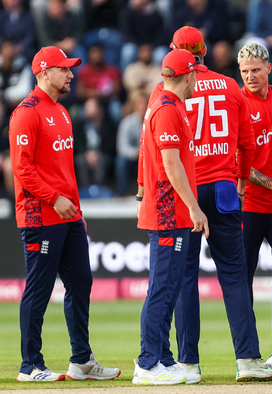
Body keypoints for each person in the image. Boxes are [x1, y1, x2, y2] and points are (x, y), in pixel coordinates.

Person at [145, 26, 272, 383]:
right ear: (204, 50)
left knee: (185, 277)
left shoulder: (165, 88)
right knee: (235, 277)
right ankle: (248, 359)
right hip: (222, 189)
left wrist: (145, 185)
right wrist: (241, 181)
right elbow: (247, 144)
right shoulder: (229, 86)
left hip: (184, 192)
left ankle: (188, 363)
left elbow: (152, 143)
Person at [9, 46, 120, 382]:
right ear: (44, 72)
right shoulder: (26, 113)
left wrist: (76, 210)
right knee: (39, 289)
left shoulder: (62, 111)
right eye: (65, 69)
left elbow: (64, 169)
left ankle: (81, 361)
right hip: (39, 217)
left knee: (81, 283)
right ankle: (30, 366)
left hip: (67, 216)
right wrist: (55, 198)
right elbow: (22, 168)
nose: (71, 75)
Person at [133, 48, 208, 385]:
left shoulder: (169, 104)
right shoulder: (166, 110)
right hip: (167, 214)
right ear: (189, 75)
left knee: (169, 285)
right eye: (195, 76)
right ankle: (147, 363)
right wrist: (194, 207)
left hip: (171, 213)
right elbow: (171, 164)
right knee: (162, 288)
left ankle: (162, 356)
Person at [238, 41, 272, 366]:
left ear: (268, 68)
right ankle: (248, 356)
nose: (250, 76)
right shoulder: (237, 103)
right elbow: (236, 158)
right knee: (241, 279)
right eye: (245, 71)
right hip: (248, 205)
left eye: (256, 70)